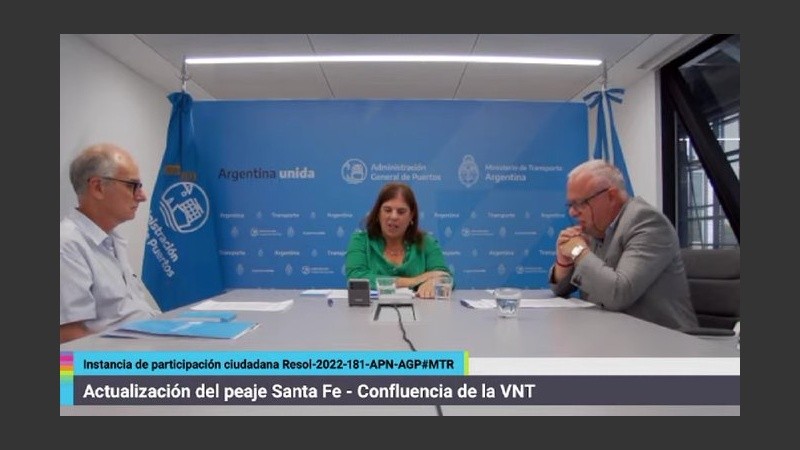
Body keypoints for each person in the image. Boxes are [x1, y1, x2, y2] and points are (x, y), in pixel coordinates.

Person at [549, 159, 698, 331]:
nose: (573, 212)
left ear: (611, 196)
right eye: (570, 205)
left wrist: (577, 251)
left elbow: (619, 294)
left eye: (581, 203)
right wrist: (564, 263)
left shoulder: (646, 222)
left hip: (659, 339)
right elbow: (560, 289)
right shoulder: (596, 228)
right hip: (610, 334)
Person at [60, 143, 159, 343]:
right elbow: (68, 336)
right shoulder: (67, 245)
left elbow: (128, 313)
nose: (142, 196)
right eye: (132, 186)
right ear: (98, 187)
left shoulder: (111, 239)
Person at [346, 182, 452, 299]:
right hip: (370, 310)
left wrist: (435, 281)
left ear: (411, 215)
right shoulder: (360, 240)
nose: (394, 216)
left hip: (420, 309)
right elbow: (355, 277)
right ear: (378, 213)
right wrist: (414, 281)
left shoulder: (427, 242)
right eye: (387, 210)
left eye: (401, 212)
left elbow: (445, 276)